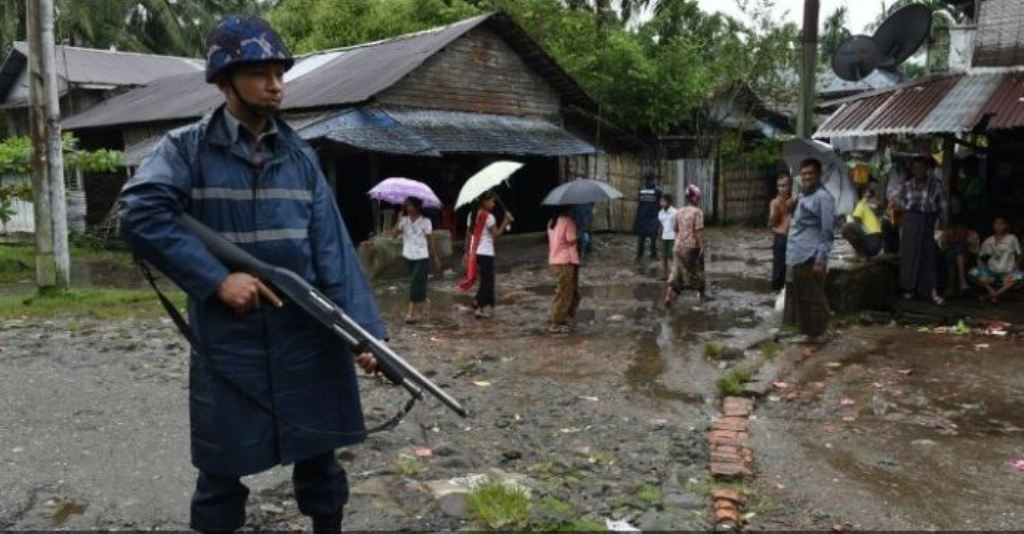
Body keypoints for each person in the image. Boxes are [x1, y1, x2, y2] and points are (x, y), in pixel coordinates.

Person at [118, 16, 384, 533]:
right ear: (224, 81)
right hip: (229, 343)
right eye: (259, 72)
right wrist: (215, 280)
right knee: (220, 476)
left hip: (307, 336)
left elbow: (334, 254)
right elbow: (140, 213)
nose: (276, 84)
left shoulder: (301, 157)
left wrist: (364, 334)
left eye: (280, 72)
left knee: (322, 469)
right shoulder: (185, 149)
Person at [783, 158, 835, 342]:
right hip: (796, 253)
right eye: (804, 173)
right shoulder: (803, 196)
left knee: (815, 298)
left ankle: (824, 331)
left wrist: (821, 260)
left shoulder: (824, 197)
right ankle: (810, 335)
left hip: (810, 254)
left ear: (819, 175)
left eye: (810, 173)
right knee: (803, 299)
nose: (806, 177)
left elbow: (827, 232)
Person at [898, 156, 948, 306]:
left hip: (928, 221)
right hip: (910, 222)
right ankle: (909, 289)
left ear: (926, 169)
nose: (918, 171)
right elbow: (901, 205)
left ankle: (931, 291)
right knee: (909, 254)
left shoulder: (936, 186)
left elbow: (943, 207)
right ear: (912, 170)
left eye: (921, 167)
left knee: (928, 255)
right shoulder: (906, 186)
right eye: (915, 168)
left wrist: (944, 229)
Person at [459, 191, 513, 319]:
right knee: (487, 281)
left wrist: (466, 253)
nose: (493, 204)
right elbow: (497, 235)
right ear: (484, 202)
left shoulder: (471, 216)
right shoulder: (489, 217)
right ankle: (480, 307)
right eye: (491, 201)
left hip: (475, 252)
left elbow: (468, 236)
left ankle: (478, 303)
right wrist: (505, 221)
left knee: (486, 280)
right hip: (486, 253)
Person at [388, 196, 440, 324]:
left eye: (410, 205)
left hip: (421, 255)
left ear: (417, 207)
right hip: (408, 255)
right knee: (416, 282)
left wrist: (435, 257)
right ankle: (425, 301)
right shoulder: (404, 220)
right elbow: (393, 235)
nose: (408, 208)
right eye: (407, 205)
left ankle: (412, 312)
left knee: (415, 283)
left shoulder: (426, 221)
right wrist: (398, 220)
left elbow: (430, 239)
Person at [664, 185, 705, 307]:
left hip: (678, 246)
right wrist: (702, 246)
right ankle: (700, 296)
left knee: (676, 271)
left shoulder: (679, 211)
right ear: (695, 198)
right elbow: (698, 231)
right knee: (696, 271)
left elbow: (676, 229)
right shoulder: (698, 212)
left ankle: (669, 294)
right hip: (691, 247)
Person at [969, 216, 1022, 303]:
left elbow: (1019, 254)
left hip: (1007, 274)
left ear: (1006, 226)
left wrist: (1016, 266)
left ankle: (993, 295)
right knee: (973, 272)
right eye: (996, 223)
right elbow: (980, 256)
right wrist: (981, 265)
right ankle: (992, 291)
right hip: (991, 274)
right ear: (993, 226)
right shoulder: (989, 240)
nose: (998, 226)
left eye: (1001, 223)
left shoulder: (1012, 238)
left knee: (1019, 275)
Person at [547, 206, 581, 333]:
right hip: (567, 260)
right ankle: (558, 320)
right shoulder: (568, 221)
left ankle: (563, 317)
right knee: (566, 291)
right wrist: (579, 234)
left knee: (563, 290)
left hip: (555, 259)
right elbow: (570, 240)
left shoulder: (551, 222)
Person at [841, 184, 884, 261]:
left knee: (846, 228)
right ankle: (862, 255)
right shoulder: (866, 205)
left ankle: (861, 255)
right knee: (850, 227)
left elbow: (856, 223)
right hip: (877, 244)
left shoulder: (860, 204)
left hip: (873, 242)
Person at [768, 174, 793, 291]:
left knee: (791, 267)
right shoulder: (775, 202)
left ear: (790, 186)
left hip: (793, 238)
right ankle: (776, 291)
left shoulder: (794, 200)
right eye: (779, 186)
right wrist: (778, 210)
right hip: (781, 238)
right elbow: (771, 223)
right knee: (779, 268)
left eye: (784, 185)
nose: (782, 188)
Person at [633, 174, 662, 262]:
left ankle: (639, 255)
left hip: (642, 216)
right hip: (653, 216)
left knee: (641, 237)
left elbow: (640, 203)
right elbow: (660, 203)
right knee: (653, 237)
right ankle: (653, 254)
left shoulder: (642, 191)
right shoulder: (657, 191)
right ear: (653, 179)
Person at [657, 194, 678, 281]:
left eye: (664, 201)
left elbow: (678, 224)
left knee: (672, 257)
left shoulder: (674, 212)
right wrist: (659, 235)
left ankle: (674, 275)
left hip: (673, 237)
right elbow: (661, 225)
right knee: (664, 257)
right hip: (664, 236)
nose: (662, 203)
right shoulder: (661, 212)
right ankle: (664, 275)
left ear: (669, 202)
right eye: (661, 201)